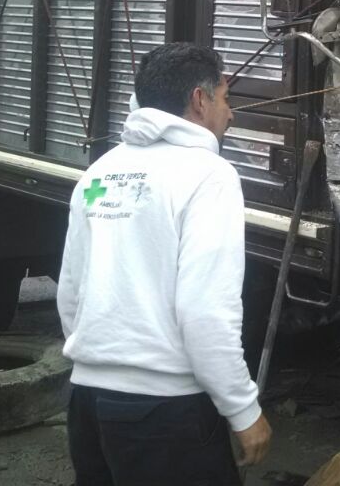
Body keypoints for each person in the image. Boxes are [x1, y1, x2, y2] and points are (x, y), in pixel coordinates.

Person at [57, 43, 270, 485]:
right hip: (165, 414)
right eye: (225, 98)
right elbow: (205, 310)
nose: (230, 114)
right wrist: (243, 409)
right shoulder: (208, 175)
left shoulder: (100, 172)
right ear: (200, 100)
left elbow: (71, 293)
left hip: (86, 405)